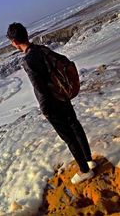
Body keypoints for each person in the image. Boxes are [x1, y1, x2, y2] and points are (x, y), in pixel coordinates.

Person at [6, 22, 97, 184]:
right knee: (75, 126)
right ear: (26, 34)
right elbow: (63, 62)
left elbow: (39, 89)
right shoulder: (42, 49)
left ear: (14, 42)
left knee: (68, 137)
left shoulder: (28, 60)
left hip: (52, 103)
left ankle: (85, 171)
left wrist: (45, 109)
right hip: (62, 95)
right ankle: (89, 160)